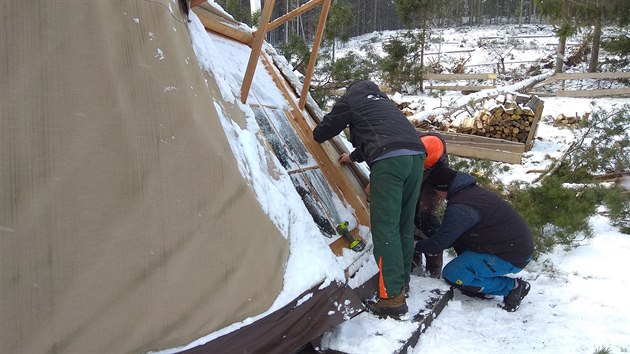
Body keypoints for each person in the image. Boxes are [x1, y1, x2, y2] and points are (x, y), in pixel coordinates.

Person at [313, 80, 426, 318]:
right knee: (404, 224)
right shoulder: (384, 103)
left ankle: (392, 297)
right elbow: (383, 133)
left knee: (385, 228)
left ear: (350, 90)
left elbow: (324, 132)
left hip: (390, 162)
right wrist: (353, 156)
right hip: (416, 157)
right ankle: (402, 282)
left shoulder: (351, 100)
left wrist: (317, 131)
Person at [416, 166, 534, 312]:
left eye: (436, 191)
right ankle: (476, 283)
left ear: (442, 188)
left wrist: (415, 245)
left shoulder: (461, 207)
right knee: (458, 239)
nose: (437, 196)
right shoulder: (470, 193)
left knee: (453, 274)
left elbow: (442, 242)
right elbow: (451, 236)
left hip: (510, 255)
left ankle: (513, 287)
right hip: (508, 247)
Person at [413, 132, 449, 279]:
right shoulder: (413, 142)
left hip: (432, 183)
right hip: (412, 167)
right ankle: (413, 263)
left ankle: (433, 269)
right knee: (411, 216)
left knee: (427, 217)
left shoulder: (440, 164)